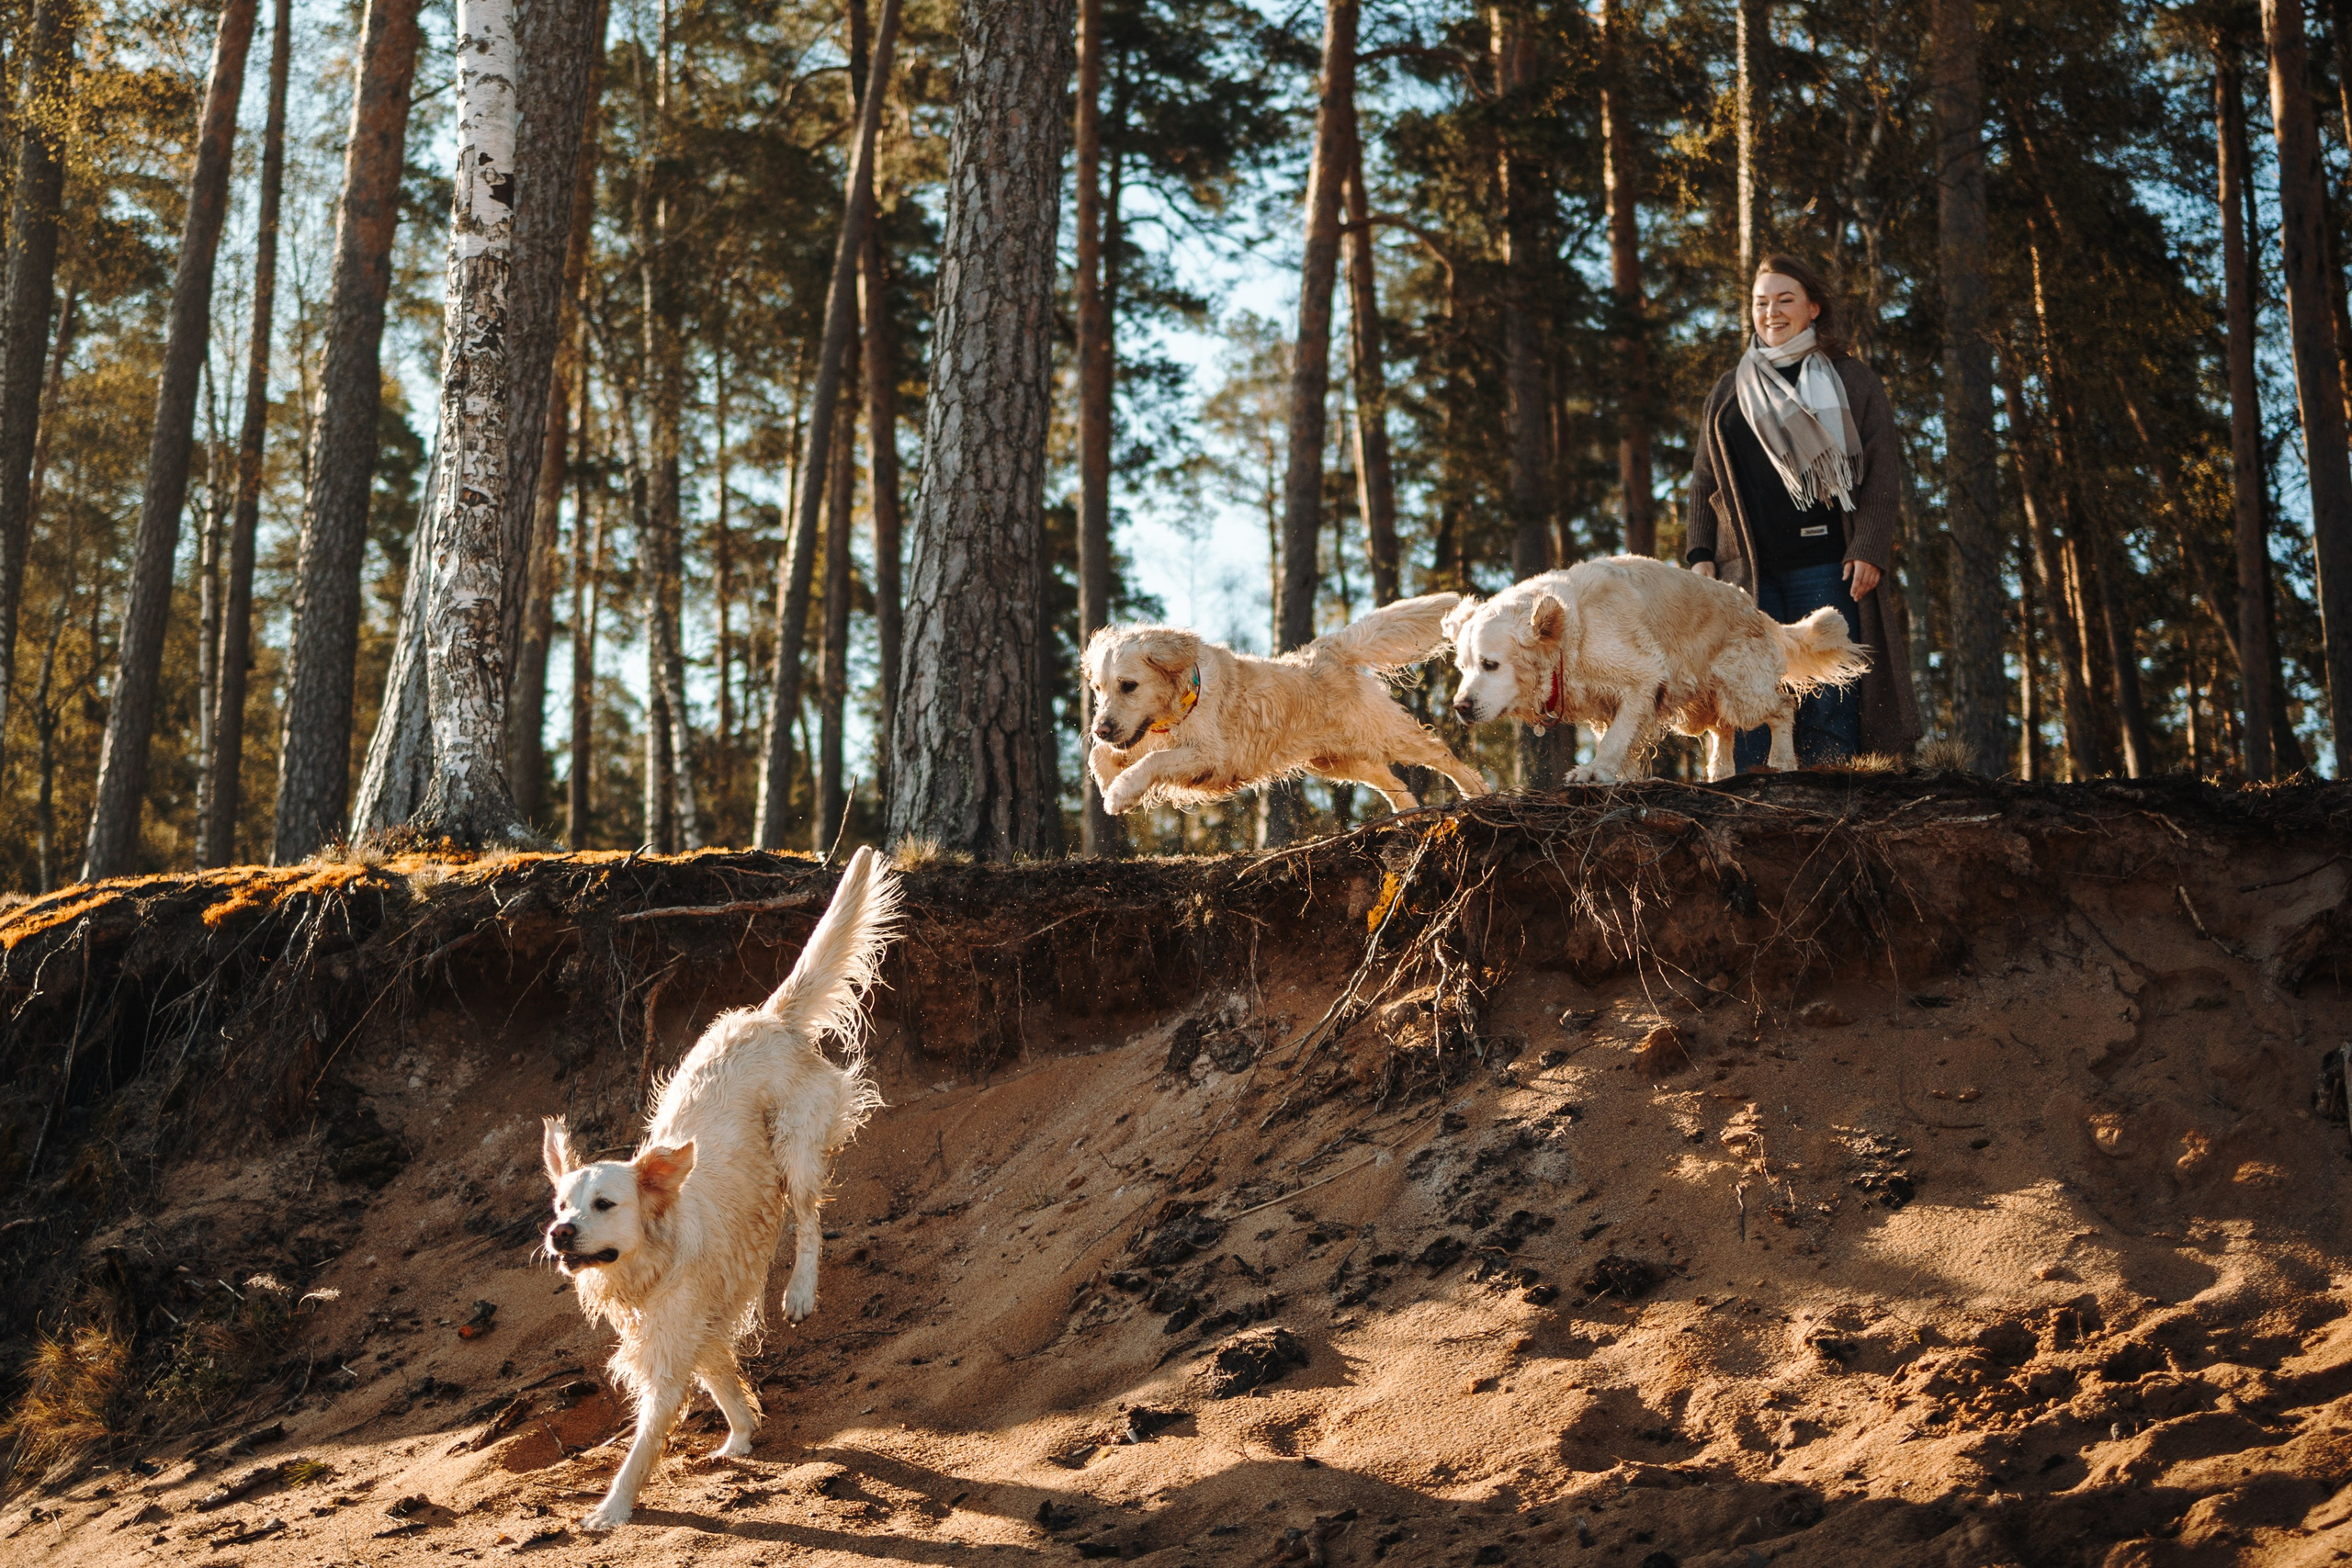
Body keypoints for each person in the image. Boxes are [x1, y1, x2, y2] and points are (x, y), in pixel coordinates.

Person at [1685, 255, 1921, 768]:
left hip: (1828, 564)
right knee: (1744, 684)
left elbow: (1882, 472)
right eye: (1760, 302)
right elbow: (1705, 480)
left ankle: (1828, 798)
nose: (1771, 312)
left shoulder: (1852, 381)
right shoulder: (1730, 390)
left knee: (1826, 688)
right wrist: (1701, 553)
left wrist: (1869, 547)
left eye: (1785, 299)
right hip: (1745, 572)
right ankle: (1749, 801)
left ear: (1813, 308)